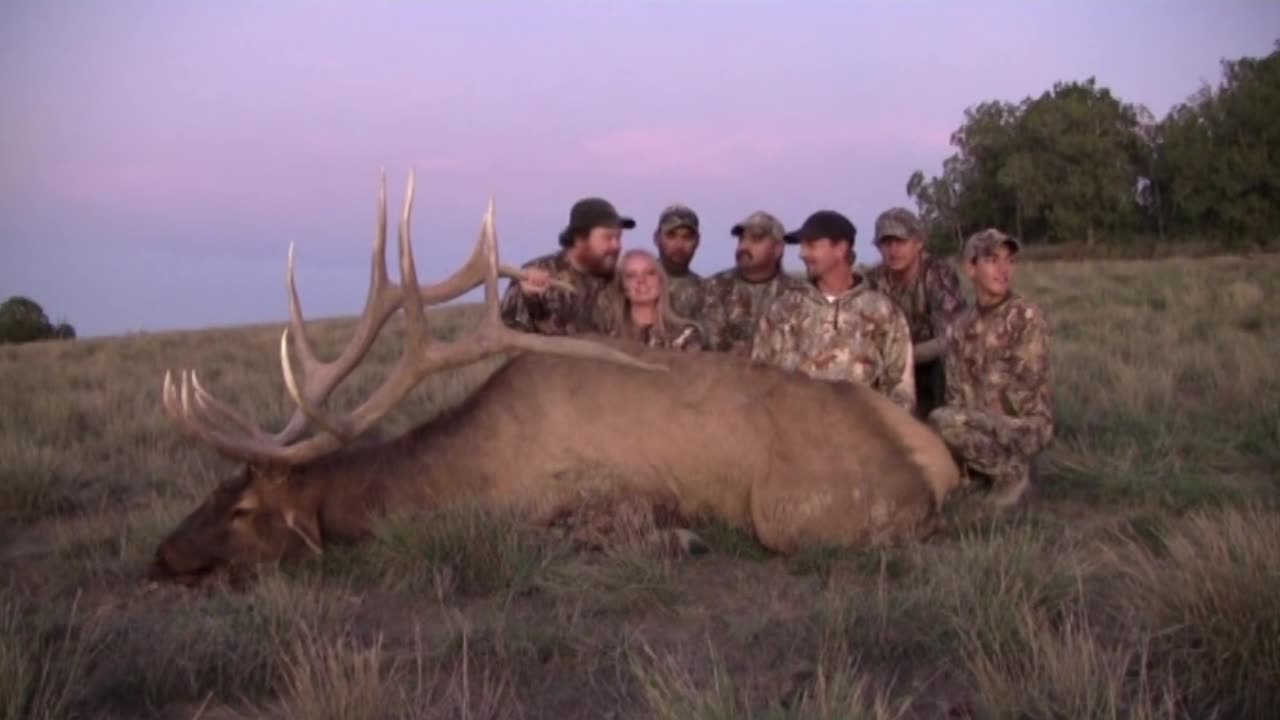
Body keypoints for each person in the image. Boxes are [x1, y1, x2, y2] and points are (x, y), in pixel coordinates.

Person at [927, 228, 1053, 509]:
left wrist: (977, 416)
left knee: (945, 423)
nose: (1004, 269)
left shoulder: (1026, 315)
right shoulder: (961, 327)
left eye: (1009, 261)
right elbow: (956, 392)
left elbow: (1026, 383)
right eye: (993, 260)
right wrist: (968, 416)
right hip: (976, 423)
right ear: (970, 268)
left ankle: (1013, 473)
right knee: (938, 421)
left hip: (1021, 424)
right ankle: (979, 472)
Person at [751, 210, 916, 413]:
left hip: (860, 437)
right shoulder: (783, 310)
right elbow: (758, 381)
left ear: (840, 248)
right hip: (792, 434)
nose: (802, 254)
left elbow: (902, 394)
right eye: (802, 246)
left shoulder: (884, 313)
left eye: (810, 245)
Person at [866, 207, 967, 418]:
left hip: (931, 364)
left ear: (918, 243)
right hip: (891, 366)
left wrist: (905, 356)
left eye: (900, 241)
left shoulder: (938, 275)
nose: (893, 250)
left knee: (948, 363)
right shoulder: (874, 280)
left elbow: (951, 336)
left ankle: (945, 419)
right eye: (886, 243)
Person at [499, 197, 633, 335]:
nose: (617, 246)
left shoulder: (623, 279)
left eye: (618, 238)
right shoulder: (531, 276)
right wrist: (528, 299)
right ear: (579, 239)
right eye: (608, 238)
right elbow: (508, 337)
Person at [698, 211, 799, 356]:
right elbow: (711, 343)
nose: (744, 246)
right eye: (741, 239)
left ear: (778, 249)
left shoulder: (798, 294)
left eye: (755, 240)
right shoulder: (714, 288)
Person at [596, 249, 705, 350]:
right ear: (622, 287)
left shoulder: (685, 334)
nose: (641, 280)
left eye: (649, 273)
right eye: (631, 276)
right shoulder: (607, 335)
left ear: (661, 282)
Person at [652, 204, 705, 320]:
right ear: (656, 238)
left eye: (687, 237)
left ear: (697, 242)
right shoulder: (637, 283)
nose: (679, 245)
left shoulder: (706, 292)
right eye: (671, 236)